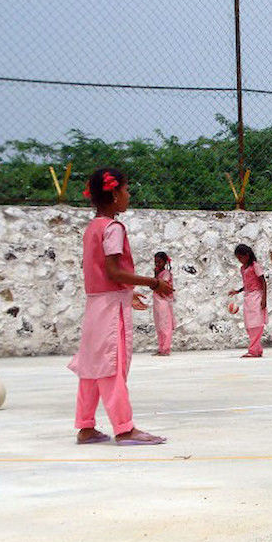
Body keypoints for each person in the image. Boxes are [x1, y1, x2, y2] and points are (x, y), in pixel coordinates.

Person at [68, 168, 172, 445]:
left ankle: (86, 426)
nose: (128, 196)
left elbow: (102, 272)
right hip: (110, 307)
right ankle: (124, 428)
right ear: (114, 194)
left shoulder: (93, 227)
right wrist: (153, 283)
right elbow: (114, 271)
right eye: (126, 190)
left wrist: (129, 292)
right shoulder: (113, 228)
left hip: (95, 304)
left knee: (91, 367)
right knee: (113, 366)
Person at [228, 244, 267, 358]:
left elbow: (263, 282)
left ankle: (253, 350)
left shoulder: (255, 266)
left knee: (256, 323)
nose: (240, 260)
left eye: (241, 257)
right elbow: (248, 283)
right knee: (249, 324)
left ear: (247, 255)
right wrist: (238, 291)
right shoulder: (243, 268)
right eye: (238, 258)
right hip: (248, 297)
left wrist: (264, 299)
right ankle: (257, 348)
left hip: (257, 296)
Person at [152, 252, 176, 356]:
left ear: (165, 262)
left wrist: (154, 284)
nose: (157, 264)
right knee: (159, 325)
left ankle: (166, 348)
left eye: (160, 262)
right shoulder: (157, 272)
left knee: (165, 324)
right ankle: (161, 347)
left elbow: (161, 286)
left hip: (163, 301)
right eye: (156, 262)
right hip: (157, 300)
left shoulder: (166, 273)